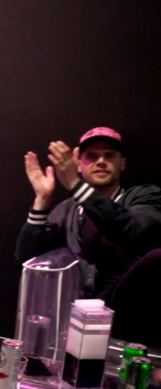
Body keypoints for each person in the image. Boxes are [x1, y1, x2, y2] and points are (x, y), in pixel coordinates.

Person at [17, 126, 161, 346]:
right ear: (79, 165)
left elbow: (136, 230)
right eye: (91, 157)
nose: (101, 161)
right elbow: (28, 259)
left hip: (124, 307)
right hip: (75, 309)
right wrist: (42, 200)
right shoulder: (67, 209)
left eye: (109, 156)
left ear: (122, 163)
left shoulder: (144, 196)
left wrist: (75, 185)